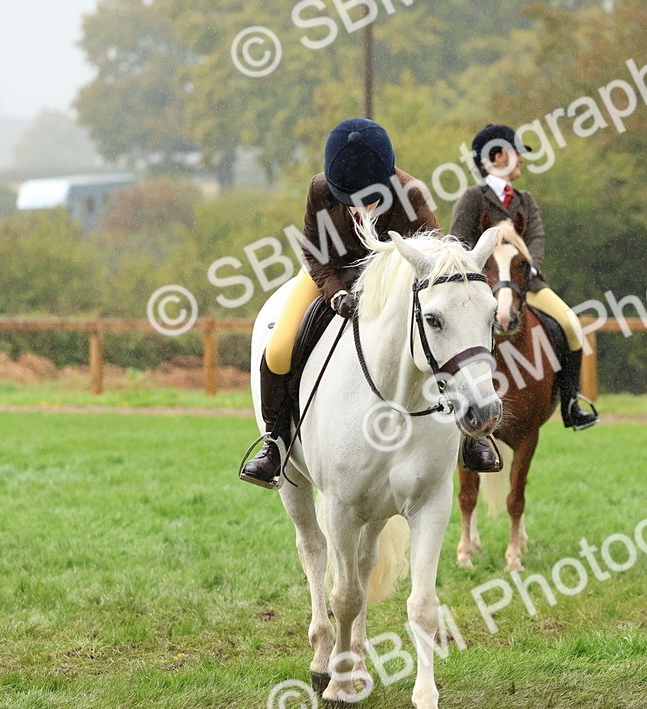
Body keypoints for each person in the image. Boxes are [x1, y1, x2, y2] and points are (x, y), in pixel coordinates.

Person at [240, 118, 501, 489]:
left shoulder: (412, 196)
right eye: (352, 199)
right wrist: (336, 293)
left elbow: (434, 268)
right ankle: (275, 444)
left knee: (454, 332)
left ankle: (473, 438)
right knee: (279, 347)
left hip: (394, 284)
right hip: (331, 275)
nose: (362, 206)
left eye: (371, 197)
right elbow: (314, 252)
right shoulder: (321, 189)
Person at [449, 123, 598, 430]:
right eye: (518, 153)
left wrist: (525, 272)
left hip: (525, 284)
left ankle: (571, 403)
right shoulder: (472, 199)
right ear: (499, 156)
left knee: (570, 323)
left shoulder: (526, 200)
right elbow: (457, 245)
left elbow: (537, 240)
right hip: (482, 291)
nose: (523, 159)